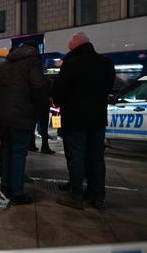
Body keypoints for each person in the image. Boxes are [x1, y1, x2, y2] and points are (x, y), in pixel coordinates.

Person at [53, 32, 115, 209]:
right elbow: (109, 88)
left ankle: (76, 195)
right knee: (97, 158)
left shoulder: (71, 64)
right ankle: (98, 196)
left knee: (77, 157)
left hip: (75, 119)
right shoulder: (105, 63)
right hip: (97, 119)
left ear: (74, 48)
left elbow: (58, 94)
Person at [0, 40, 46, 205]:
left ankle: (6, 186)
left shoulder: (3, 65)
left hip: (4, 115)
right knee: (18, 153)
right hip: (22, 115)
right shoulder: (32, 62)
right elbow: (39, 86)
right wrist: (37, 109)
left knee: (7, 150)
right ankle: (17, 192)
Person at [30, 75, 55, 154]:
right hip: (44, 105)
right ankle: (45, 146)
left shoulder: (30, 80)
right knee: (44, 128)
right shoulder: (47, 80)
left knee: (32, 126)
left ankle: (31, 145)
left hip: (33, 105)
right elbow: (50, 95)